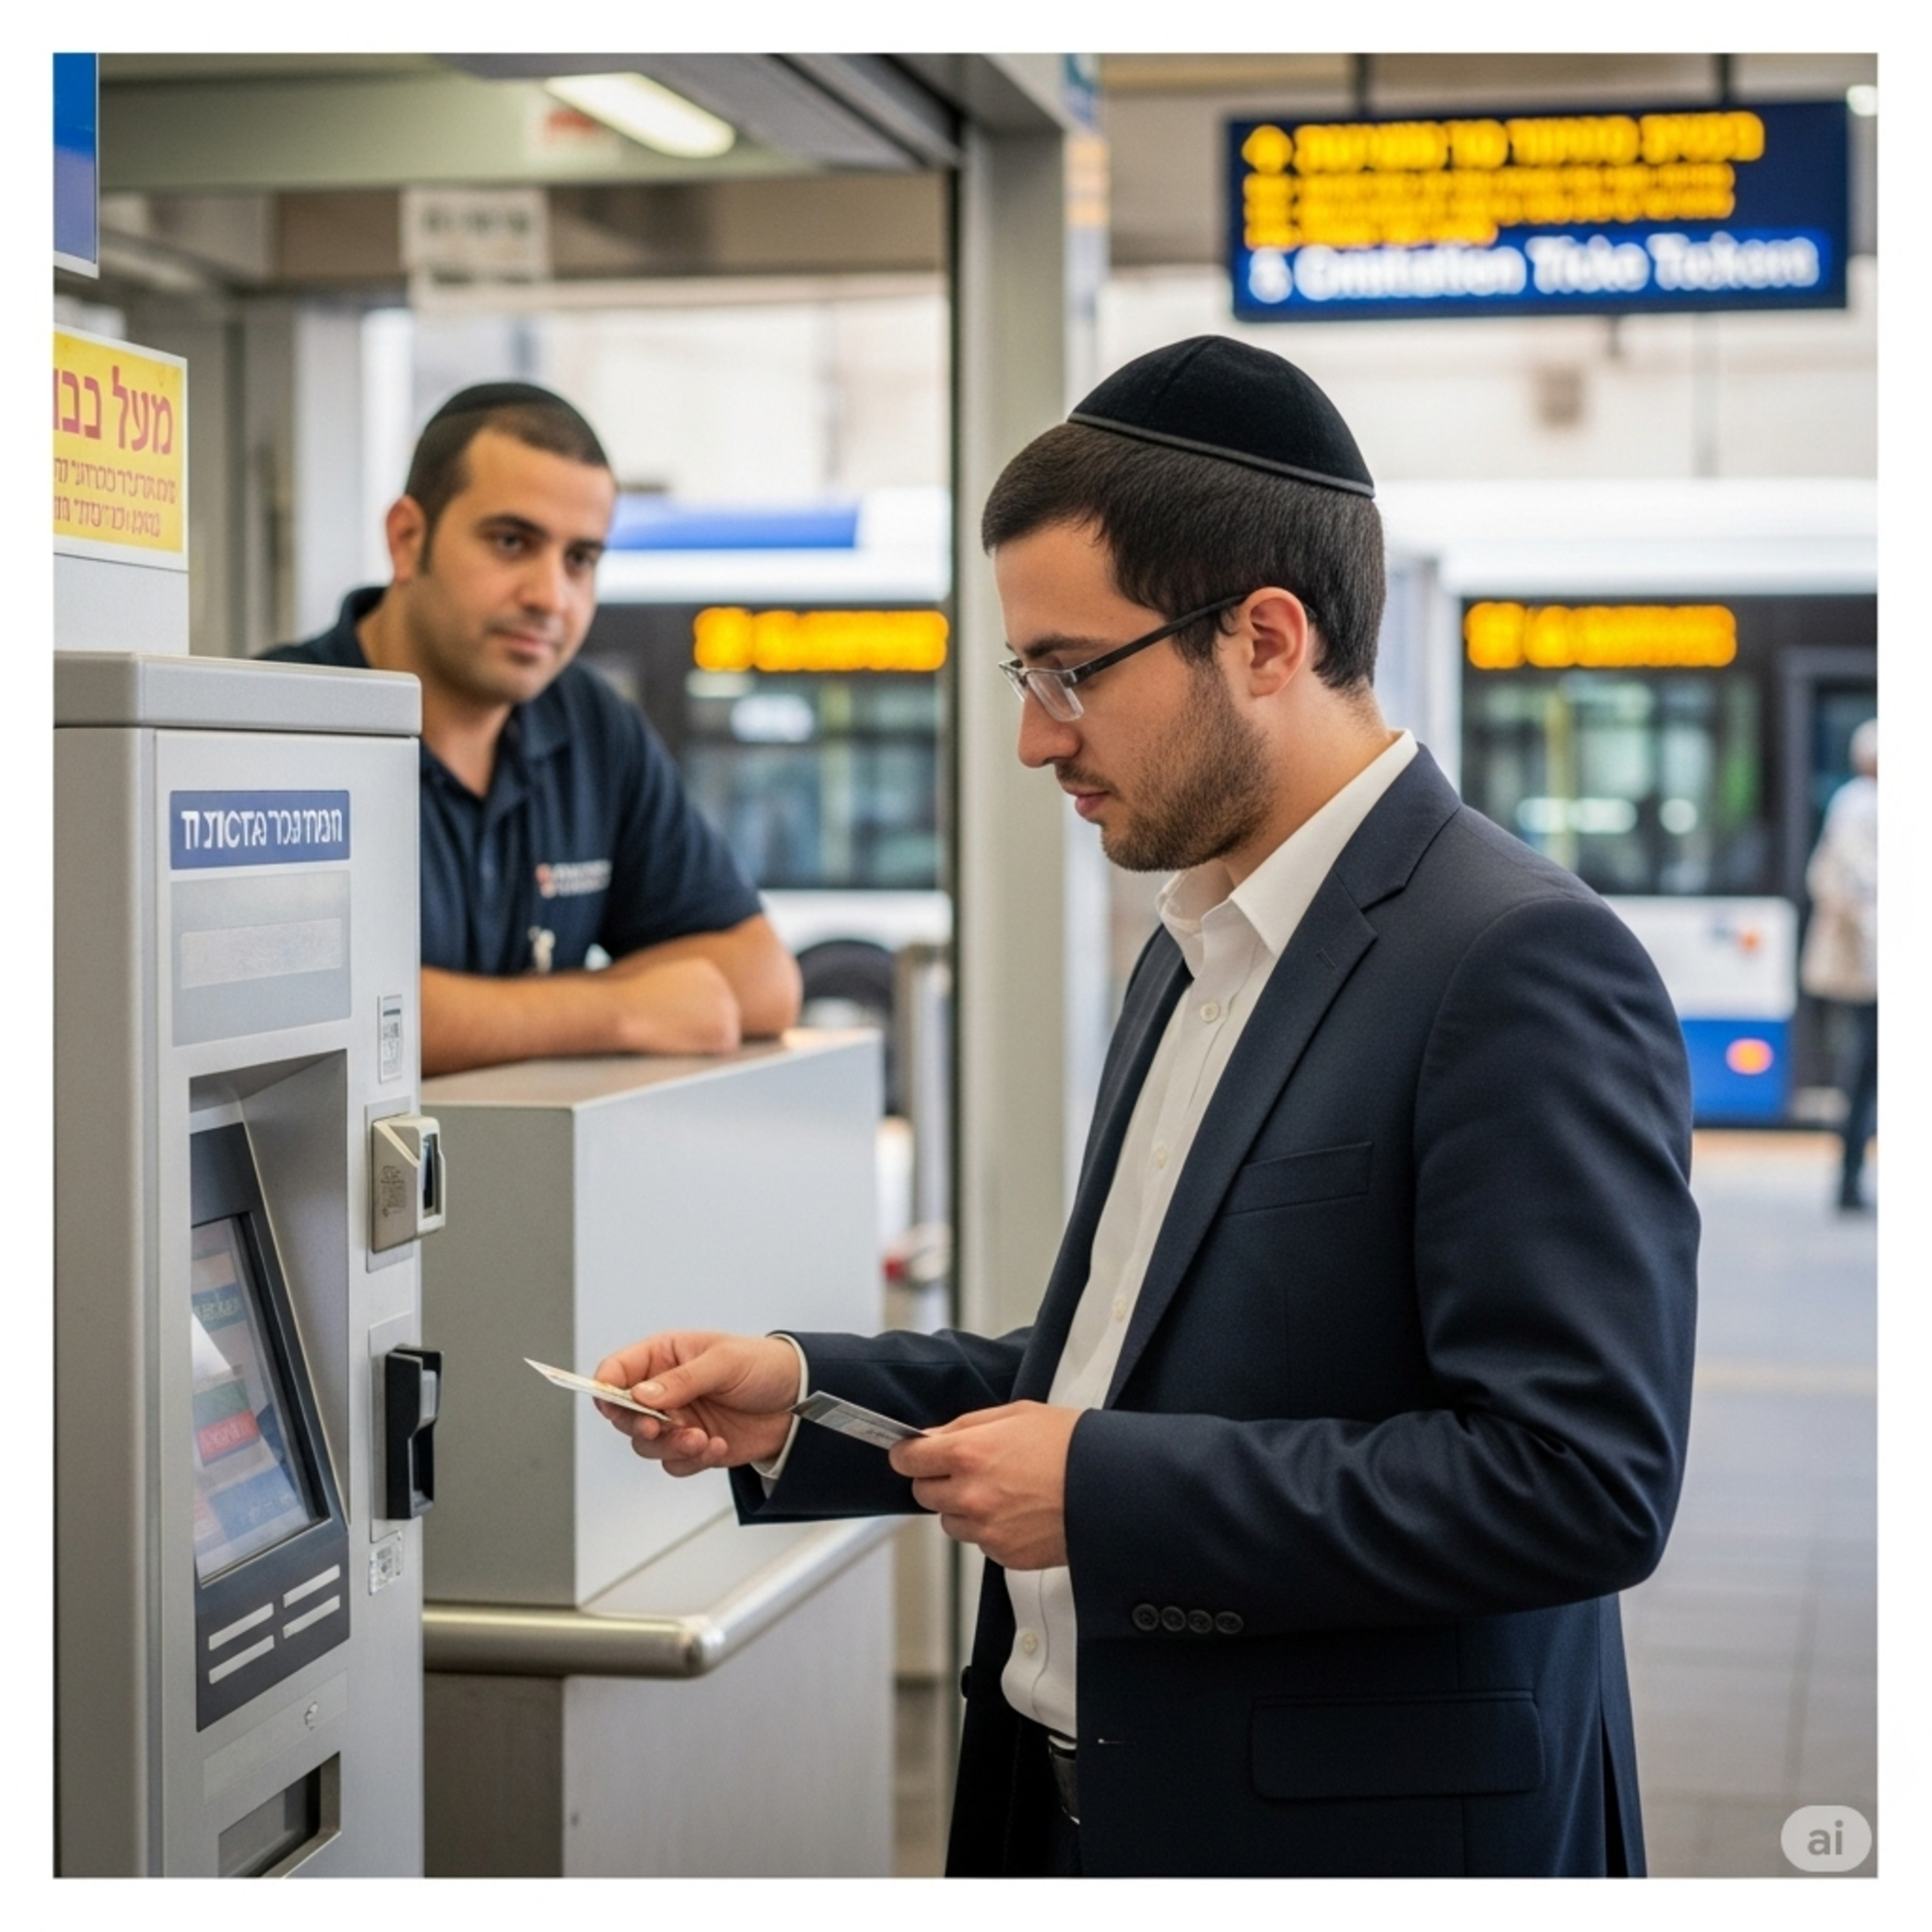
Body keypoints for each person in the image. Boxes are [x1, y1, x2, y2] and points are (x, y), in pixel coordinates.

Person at [592, 338, 1699, 1877]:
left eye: (1070, 669)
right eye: (1021, 676)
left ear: (1262, 635)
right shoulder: (1191, 949)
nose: (1039, 733)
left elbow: (1578, 1482)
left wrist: (1103, 1495)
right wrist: (807, 1396)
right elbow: (1113, 1364)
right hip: (1071, 1800)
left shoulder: (1511, 960)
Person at [264, 382, 800, 1075]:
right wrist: (619, 1010)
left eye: (581, 560)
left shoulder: (591, 725)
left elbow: (762, 980)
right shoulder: (273, 723)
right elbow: (298, 1016)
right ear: (407, 539)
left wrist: (469, 1013)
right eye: (512, 542)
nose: (551, 597)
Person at [1799, 718, 1878, 1209]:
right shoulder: (1859, 806)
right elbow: (1866, 888)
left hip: (1872, 968)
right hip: (1872, 970)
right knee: (1866, 1071)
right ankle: (1849, 1179)